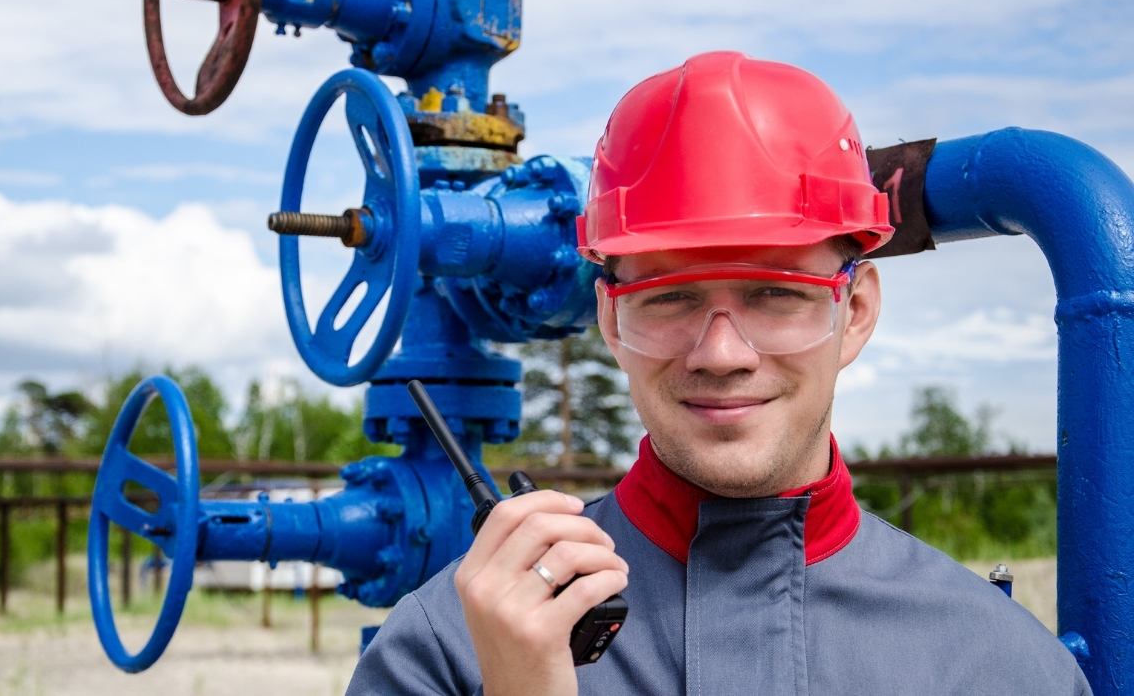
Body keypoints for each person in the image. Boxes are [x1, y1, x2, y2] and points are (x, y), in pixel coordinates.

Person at [347, 51, 1090, 695]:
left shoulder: (999, 666)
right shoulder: (445, 654)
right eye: (668, 297)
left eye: (776, 295)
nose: (723, 352)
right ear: (610, 321)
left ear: (856, 311)